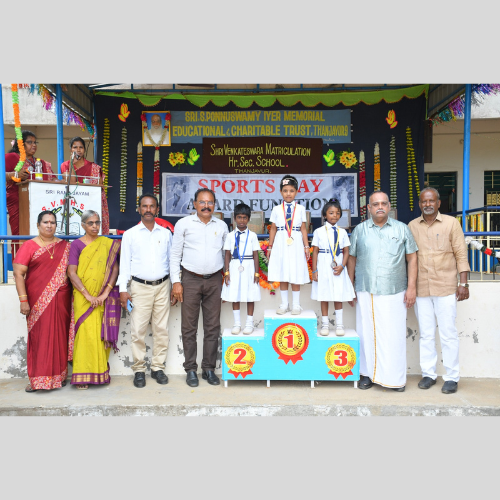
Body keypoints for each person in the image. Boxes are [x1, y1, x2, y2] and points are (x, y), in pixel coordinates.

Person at [348, 191, 418, 392]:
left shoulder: (402, 229)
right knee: (366, 333)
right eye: (375, 204)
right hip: (365, 288)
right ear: (369, 208)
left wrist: (411, 287)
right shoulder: (360, 230)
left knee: (393, 334)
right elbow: (352, 259)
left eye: (383, 203)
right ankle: (367, 375)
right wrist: (350, 286)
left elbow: (412, 258)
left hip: (394, 290)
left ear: (389, 207)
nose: (380, 207)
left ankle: (395, 379)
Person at [408, 187, 470, 394]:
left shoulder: (451, 223)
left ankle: (452, 377)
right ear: (420, 204)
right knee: (426, 334)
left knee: (448, 334)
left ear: (438, 203)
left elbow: (460, 253)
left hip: (445, 286)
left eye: (431, 201)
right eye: (424, 201)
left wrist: (463, 284)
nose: (428, 204)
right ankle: (429, 374)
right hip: (421, 288)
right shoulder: (412, 226)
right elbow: (408, 257)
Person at [171, 187, 228, 387]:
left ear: (214, 205)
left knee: (212, 326)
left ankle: (209, 369)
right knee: (189, 327)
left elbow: (226, 255)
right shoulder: (183, 224)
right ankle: (191, 370)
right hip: (190, 279)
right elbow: (175, 255)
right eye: (202, 202)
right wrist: (176, 282)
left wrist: (227, 279)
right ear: (194, 204)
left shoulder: (221, 226)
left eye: (210, 202)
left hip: (215, 280)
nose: (206, 206)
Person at [118, 194, 173, 388]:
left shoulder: (165, 234)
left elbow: (172, 262)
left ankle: (158, 368)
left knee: (161, 330)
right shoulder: (130, 234)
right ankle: (139, 370)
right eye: (144, 206)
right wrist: (123, 290)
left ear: (157, 210)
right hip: (138, 288)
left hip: (163, 287)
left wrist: (175, 284)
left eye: (152, 206)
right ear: (139, 209)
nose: (148, 210)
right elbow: (124, 264)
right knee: (138, 330)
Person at [13, 211, 72, 392]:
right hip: (37, 301)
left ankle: (59, 377)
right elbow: (18, 274)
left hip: (62, 300)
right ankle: (38, 380)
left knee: (60, 337)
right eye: (45, 222)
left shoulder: (65, 246)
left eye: (52, 222)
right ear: (38, 225)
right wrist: (23, 300)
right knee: (39, 338)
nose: (49, 225)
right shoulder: (29, 246)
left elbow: (73, 272)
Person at [67, 211, 120, 389]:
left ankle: (100, 374)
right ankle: (82, 376)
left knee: (100, 335)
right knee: (85, 335)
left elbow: (114, 269)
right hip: (83, 298)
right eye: (90, 223)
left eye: (97, 222)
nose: (95, 226)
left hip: (103, 297)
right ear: (83, 225)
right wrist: (87, 295)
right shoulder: (76, 245)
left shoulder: (107, 244)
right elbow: (72, 273)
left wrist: (105, 294)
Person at [5, 130, 53, 257]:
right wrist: (14, 174)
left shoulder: (40, 162)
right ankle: (19, 265)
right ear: (21, 144)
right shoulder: (12, 157)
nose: (34, 145)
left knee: (39, 234)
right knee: (20, 234)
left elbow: (52, 178)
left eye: (35, 142)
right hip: (18, 202)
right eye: (30, 142)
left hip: (39, 202)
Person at [266, 175, 310, 315]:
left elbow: (303, 229)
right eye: (285, 191)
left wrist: (306, 246)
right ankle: (284, 304)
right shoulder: (276, 209)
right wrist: (270, 246)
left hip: (295, 240)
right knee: (283, 272)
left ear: (296, 192)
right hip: (281, 241)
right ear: (281, 192)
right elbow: (273, 229)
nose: (288, 194)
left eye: (291, 190)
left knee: (295, 272)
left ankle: (296, 305)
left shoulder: (301, 208)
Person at [311, 198, 355, 336]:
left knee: (338, 294)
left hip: (338, 266)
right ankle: (325, 324)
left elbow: (346, 251)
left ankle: (339, 325)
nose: (334, 215)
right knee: (324, 295)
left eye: (337, 213)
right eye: (331, 213)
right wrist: (314, 270)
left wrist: (342, 266)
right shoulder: (319, 231)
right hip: (324, 264)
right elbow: (315, 251)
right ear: (324, 215)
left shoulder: (342, 232)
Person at [222, 203, 261, 335]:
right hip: (234, 265)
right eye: (239, 217)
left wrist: (256, 273)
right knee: (235, 295)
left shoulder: (253, 235)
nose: (242, 220)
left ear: (248, 219)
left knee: (250, 296)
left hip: (249, 266)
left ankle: (249, 324)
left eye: (244, 218)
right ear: (234, 218)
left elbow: (256, 254)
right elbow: (227, 254)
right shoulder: (230, 236)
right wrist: (226, 272)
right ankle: (237, 324)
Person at [61, 137, 110, 235]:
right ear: (71, 150)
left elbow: (99, 188)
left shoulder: (94, 167)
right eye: (75, 147)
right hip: (74, 204)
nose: (78, 150)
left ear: (84, 149)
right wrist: (72, 164)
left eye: (81, 147)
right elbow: (72, 182)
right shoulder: (65, 165)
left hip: (90, 203)